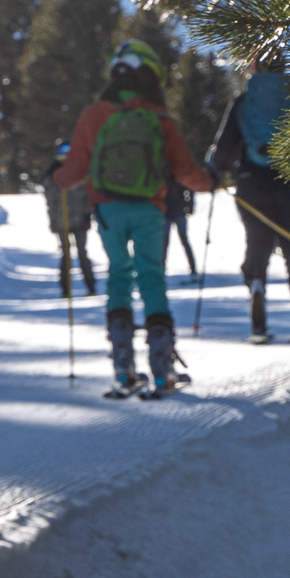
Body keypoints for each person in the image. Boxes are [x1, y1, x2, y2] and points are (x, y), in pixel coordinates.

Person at [52, 40, 214, 397]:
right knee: (151, 277)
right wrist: (209, 182)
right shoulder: (159, 117)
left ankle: (123, 371)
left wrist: (58, 178)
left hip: (107, 210)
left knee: (119, 276)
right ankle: (162, 371)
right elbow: (186, 170)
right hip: (149, 209)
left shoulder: (93, 115)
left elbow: (74, 171)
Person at [208, 47, 290, 343]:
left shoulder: (244, 102)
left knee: (257, 244)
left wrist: (215, 169)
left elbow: (224, 148)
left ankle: (257, 287)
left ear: (254, 67)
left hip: (251, 182)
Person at [44, 139, 98, 297]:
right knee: (66, 255)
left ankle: (91, 286)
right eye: (63, 151)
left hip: (80, 220)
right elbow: (50, 201)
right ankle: (66, 290)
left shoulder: (81, 171)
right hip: (62, 221)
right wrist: (53, 221)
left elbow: (88, 196)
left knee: (82, 253)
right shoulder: (52, 174)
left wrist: (88, 216)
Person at [162, 177, 198, 276]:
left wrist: (189, 206)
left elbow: (189, 190)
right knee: (167, 242)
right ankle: (162, 269)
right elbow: (189, 190)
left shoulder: (166, 174)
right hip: (172, 212)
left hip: (174, 213)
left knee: (169, 242)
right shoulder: (177, 175)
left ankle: (193, 268)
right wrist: (189, 206)